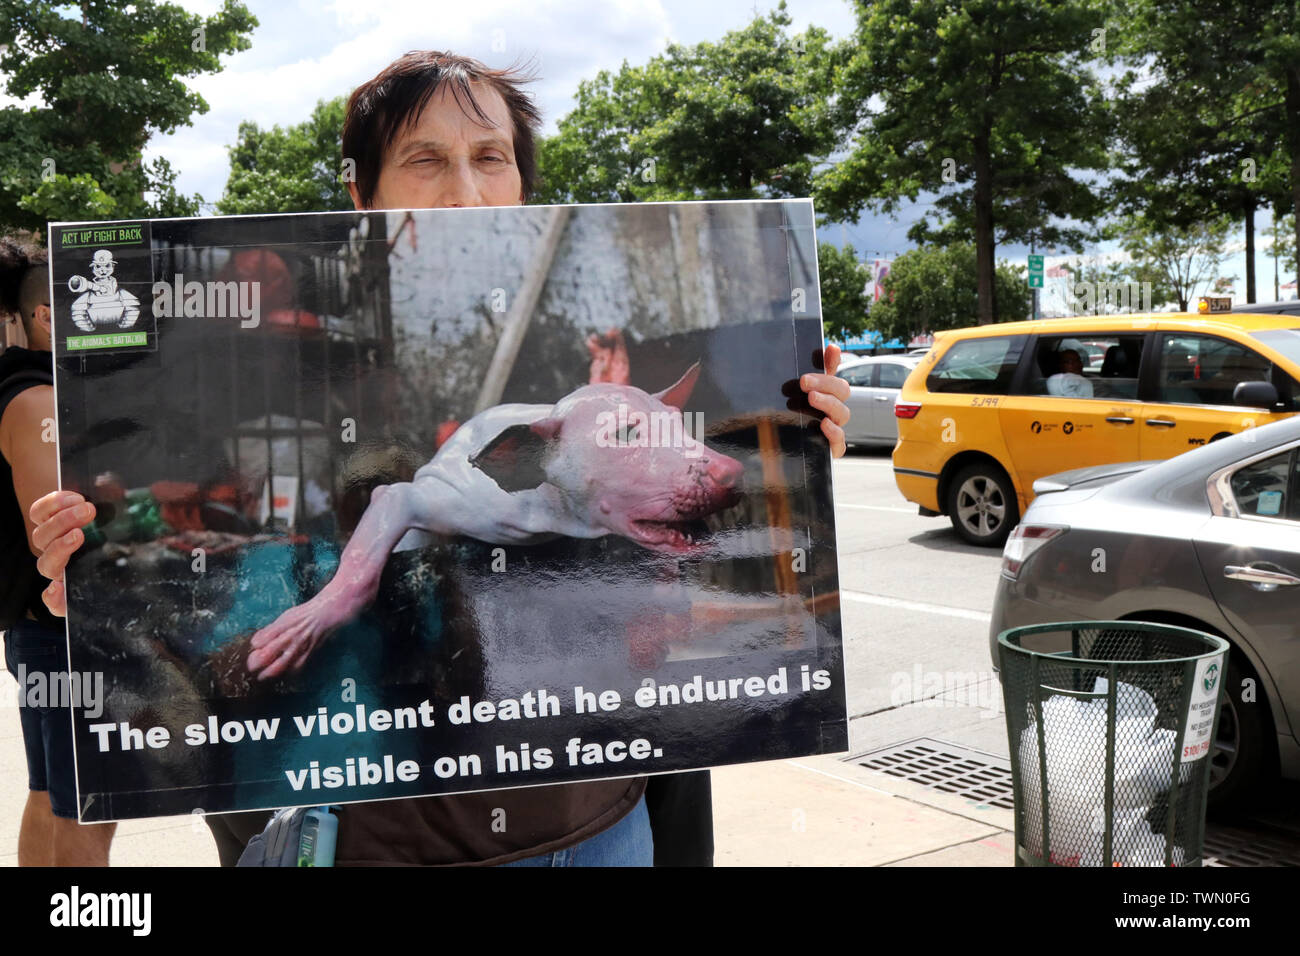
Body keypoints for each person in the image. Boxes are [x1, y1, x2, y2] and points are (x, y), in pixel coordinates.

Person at [29, 51, 852, 866]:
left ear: (522, 182)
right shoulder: (308, 366)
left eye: (489, 158)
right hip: (372, 832)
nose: (465, 189)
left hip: (594, 825)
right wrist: (93, 573)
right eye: (426, 161)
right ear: (365, 194)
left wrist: (805, 439)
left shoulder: (573, 351)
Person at [1, 238, 117, 865]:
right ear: (49, 315)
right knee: (89, 808)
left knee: (51, 794)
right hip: (62, 633)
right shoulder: (37, 400)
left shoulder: (33, 389)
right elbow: (60, 537)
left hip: (41, 634)